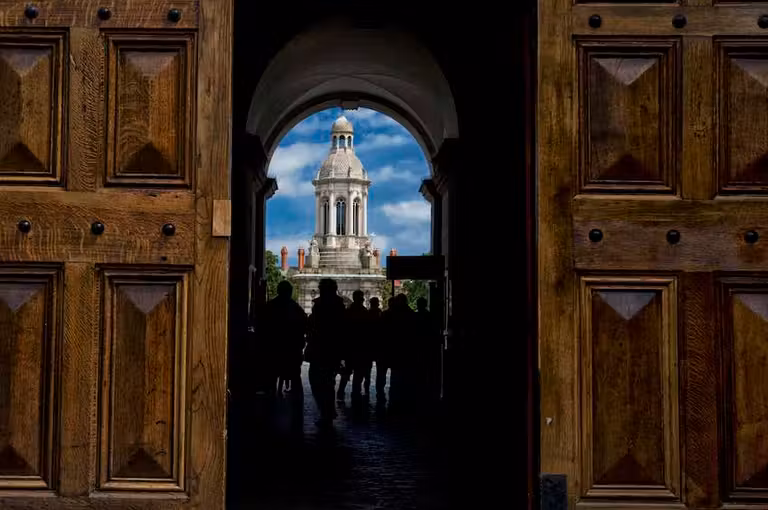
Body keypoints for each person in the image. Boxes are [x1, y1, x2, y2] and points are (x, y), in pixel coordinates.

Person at [305, 279, 346, 426]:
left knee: (317, 381)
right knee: (328, 382)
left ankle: (326, 412)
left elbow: (313, 325)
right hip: (333, 351)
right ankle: (328, 411)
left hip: (320, 349)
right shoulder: (340, 306)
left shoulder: (320, 305)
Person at [262, 280, 307, 396]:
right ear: (290, 292)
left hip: (273, 349)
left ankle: (271, 399)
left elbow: (262, 327)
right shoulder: (296, 308)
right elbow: (304, 327)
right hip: (292, 350)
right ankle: (296, 401)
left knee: (271, 378)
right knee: (295, 378)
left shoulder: (269, 307)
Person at [347, 290, 373, 401]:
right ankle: (355, 393)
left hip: (351, 346)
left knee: (348, 372)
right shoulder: (364, 312)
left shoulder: (349, 311)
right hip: (361, 347)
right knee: (359, 372)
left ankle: (343, 392)